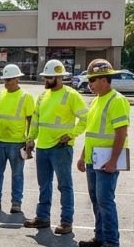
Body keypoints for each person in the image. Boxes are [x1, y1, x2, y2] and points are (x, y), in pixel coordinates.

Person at [23, 59, 88, 233]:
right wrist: (30, 139)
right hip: (43, 147)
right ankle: (42, 217)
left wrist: (71, 134)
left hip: (61, 148)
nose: (45, 81)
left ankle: (66, 222)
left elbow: (85, 119)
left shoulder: (71, 95)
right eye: (45, 77)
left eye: (49, 78)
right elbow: (36, 120)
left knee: (64, 186)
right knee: (44, 185)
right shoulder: (43, 96)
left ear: (59, 77)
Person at [76, 59, 130, 247]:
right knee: (96, 201)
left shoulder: (117, 100)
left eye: (93, 79)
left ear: (106, 80)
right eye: (89, 80)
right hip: (94, 160)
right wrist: (83, 156)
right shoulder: (96, 100)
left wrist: (113, 161)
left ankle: (112, 244)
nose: (89, 83)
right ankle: (100, 237)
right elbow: (91, 133)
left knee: (105, 201)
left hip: (107, 161)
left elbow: (121, 133)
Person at [0, 64, 35, 213]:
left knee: (17, 175)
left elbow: (31, 119)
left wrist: (30, 139)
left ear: (17, 79)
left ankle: (16, 203)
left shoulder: (26, 97)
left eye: (9, 80)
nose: (6, 83)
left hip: (17, 143)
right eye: (4, 80)